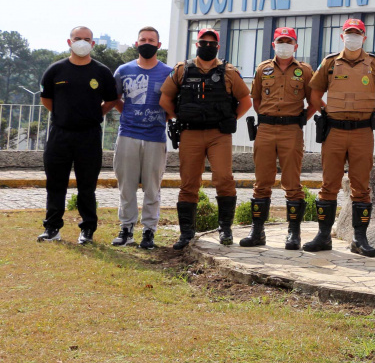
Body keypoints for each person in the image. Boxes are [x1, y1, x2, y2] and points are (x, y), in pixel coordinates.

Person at [307, 19, 375, 257]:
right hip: (334, 132)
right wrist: (327, 112)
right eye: (349, 33)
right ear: (341, 36)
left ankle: (359, 239)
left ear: (364, 37)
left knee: (361, 187)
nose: (353, 37)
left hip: (361, 133)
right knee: (329, 186)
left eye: (357, 33)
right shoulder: (329, 63)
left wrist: (371, 116)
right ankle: (323, 236)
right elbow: (314, 96)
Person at [159, 28, 252, 250]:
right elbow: (165, 99)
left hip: (219, 134)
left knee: (223, 178)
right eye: (203, 42)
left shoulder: (229, 72)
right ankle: (186, 233)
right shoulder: (182, 70)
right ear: (197, 44)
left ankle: (225, 229)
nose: (207, 46)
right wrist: (178, 118)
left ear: (218, 47)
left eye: (212, 43)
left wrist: (231, 119)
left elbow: (246, 101)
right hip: (190, 133)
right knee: (189, 182)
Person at [37, 26, 118, 244]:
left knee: (87, 186)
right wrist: (63, 114)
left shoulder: (102, 72)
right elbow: (46, 99)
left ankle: (88, 229)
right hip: (59, 135)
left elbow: (111, 100)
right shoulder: (55, 70)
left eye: (87, 39)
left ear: (93, 44)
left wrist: (95, 114)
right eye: (77, 38)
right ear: (69, 42)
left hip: (89, 136)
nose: (82, 42)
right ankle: (52, 228)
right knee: (55, 184)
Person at [240, 27, 317, 249]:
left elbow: (313, 102)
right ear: (274, 44)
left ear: (296, 45)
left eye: (289, 41)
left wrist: (300, 120)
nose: (284, 44)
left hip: (291, 130)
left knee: (292, 183)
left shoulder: (305, 71)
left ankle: (294, 234)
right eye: (280, 41)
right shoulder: (262, 69)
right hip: (265, 129)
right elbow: (255, 100)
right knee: (261, 182)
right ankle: (257, 232)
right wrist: (266, 117)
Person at [111, 26, 172, 249]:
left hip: (155, 137)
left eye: (151, 40)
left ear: (159, 45)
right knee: (126, 186)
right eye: (143, 39)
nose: (147, 43)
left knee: (152, 187)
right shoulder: (123, 70)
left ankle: (148, 231)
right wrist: (128, 113)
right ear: (137, 44)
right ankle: (126, 228)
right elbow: (114, 98)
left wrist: (160, 119)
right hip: (128, 134)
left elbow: (172, 104)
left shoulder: (168, 72)